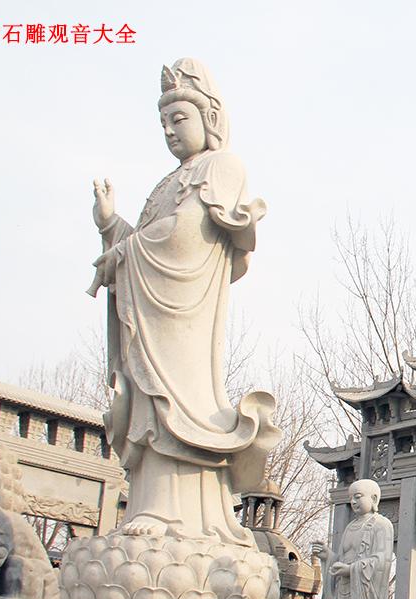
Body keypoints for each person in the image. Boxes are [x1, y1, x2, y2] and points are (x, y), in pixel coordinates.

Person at [87, 58, 278, 543]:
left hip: (183, 318)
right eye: (165, 122)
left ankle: (180, 517)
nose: (171, 131)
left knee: (176, 404)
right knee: (148, 409)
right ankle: (152, 507)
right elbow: (154, 236)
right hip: (156, 318)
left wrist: (125, 251)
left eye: (180, 119)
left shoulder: (222, 167)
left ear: (210, 119)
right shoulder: (166, 183)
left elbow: (185, 239)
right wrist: (113, 226)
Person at [313, 479, 394, 599]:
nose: (353, 502)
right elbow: (341, 559)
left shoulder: (381, 525)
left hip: (365, 595)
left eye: (358, 497)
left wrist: (352, 570)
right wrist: (328, 557)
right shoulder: (350, 527)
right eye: (351, 498)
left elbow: (383, 560)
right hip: (345, 592)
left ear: (374, 499)